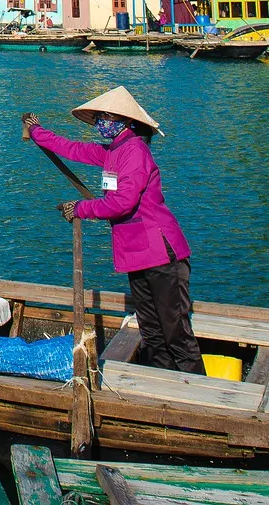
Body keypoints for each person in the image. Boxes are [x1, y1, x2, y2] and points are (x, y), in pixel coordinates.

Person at [23, 86, 201, 374]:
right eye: (100, 118)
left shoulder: (134, 151)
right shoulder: (112, 152)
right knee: (152, 330)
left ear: (124, 121)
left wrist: (80, 208)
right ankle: (162, 384)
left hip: (161, 253)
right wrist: (38, 132)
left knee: (175, 331)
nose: (101, 124)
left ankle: (199, 393)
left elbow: (122, 202)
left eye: (106, 117)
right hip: (138, 253)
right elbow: (72, 148)